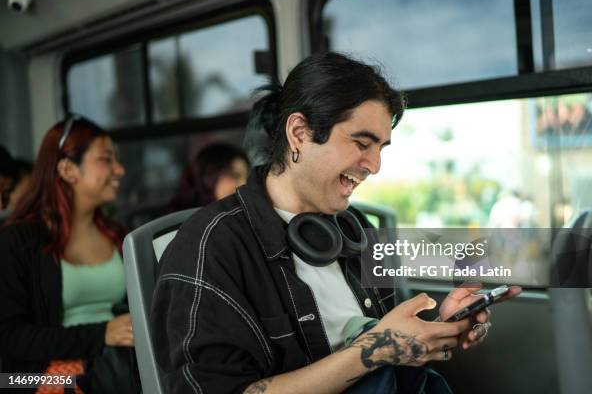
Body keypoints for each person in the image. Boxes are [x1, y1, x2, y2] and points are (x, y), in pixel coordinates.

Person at [151, 52, 521, 393]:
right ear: (300, 133)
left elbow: (389, 335)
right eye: (362, 143)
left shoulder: (352, 226)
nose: (375, 166)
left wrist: (437, 326)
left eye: (381, 148)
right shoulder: (210, 247)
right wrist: (374, 351)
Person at [0, 115, 138, 393]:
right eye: (106, 159)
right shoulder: (18, 240)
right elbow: (10, 337)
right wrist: (103, 334)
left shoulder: (119, 236)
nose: (119, 169)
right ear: (68, 169)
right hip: (33, 376)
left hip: (117, 365)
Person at [165, 142, 250, 213]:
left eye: (248, 177)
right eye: (234, 176)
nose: (244, 183)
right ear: (207, 178)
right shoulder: (176, 223)